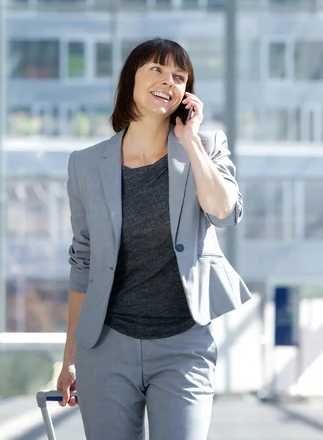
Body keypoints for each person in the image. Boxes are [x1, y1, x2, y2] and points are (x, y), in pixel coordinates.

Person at [57, 38, 251, 440]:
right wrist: (70, 358)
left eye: (179, 76)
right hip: (107, 347)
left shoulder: (207, 146)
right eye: (156, 70)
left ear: (187, 93)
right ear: (132, 78)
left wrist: (191, 141)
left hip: (184, 346)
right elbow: (84, 263)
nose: (168, 81)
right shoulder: (86, 164)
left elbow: (224, 212)